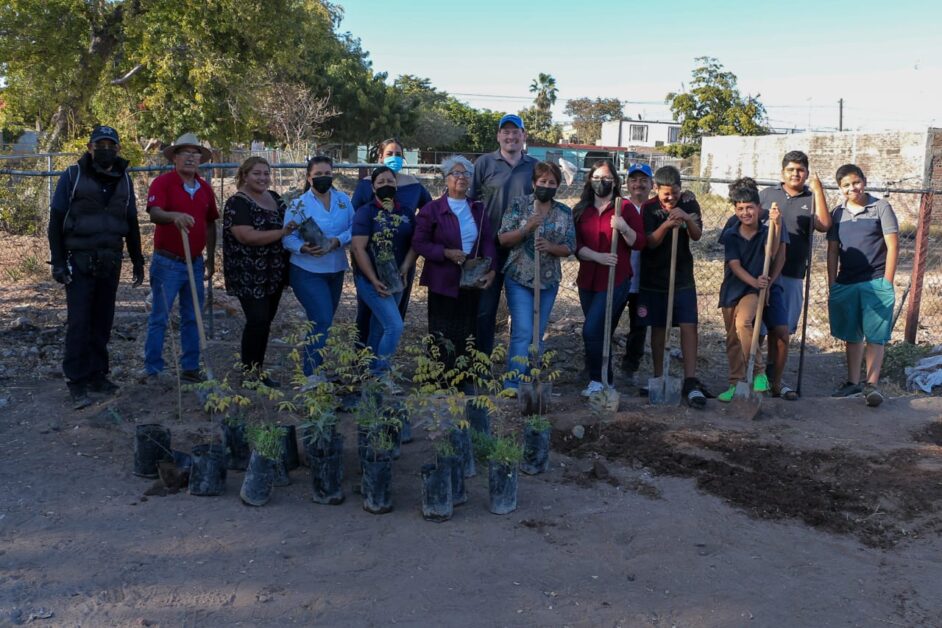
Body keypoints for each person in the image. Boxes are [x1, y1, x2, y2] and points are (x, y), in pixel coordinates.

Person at [719, 151, 831, 398]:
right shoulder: (762, 200)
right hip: (747, 281)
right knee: (746, 331)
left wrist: (819, 189)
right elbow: (733, 256)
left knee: (780, 331)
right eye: (790, 169)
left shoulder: (807, 200)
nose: (795, 174)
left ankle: (773, 382)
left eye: (800, 170)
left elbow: (784, 250)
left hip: (781, 278)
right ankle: (744, 381)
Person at [48, 125, 145, 409]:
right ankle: (77, 381)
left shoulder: (124, 179)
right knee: (79, 321)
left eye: (110, 145)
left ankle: (98, 375)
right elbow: (56, 220)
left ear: (118, 149)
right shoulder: (73, 175)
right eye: (100, 145)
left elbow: (131, 222)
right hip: (78, 259)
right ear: (90, 148)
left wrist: (137, 259)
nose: (105, 150)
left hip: (111, 260)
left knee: (103, 320)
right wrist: (57, 261)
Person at [142, 133, 217, 384]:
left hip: (194, 262)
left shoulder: (205, 188)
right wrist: (174, 216)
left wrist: (210, 258)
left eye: (195, 153)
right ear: (175, 157)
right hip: (168, 262)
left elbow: (210, 223)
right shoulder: (163, 183)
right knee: (160, 317)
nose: (191, 157)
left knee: (193, 316)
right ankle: (153, 369)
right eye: (185, 152)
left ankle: (190, 367)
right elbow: (155, 213)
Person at [497, 161, 575, 392]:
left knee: (537, 333)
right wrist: (527, 228)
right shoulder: (519, 205)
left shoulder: (564, 212)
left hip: (548, 281)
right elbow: (503, 239)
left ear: (557, 186)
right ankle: (513, 383)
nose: (546, 186)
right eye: (542, 181)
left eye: (552, 183)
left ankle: (531, 380)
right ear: (533, 183)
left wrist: (551, 247)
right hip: (519, 277)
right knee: (522, 330)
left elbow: (570, 246)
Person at [412, 155, 496, 369]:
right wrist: (445, 253)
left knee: (467, 329)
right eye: (456, 173)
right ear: (446, 178)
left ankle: (464, 374)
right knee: (442, 330)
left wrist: (491, 269)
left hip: (470, 279)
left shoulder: (478, 208)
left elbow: (487, 240)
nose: (461, 177)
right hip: (442, 279)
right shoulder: (432, 209)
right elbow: (419, 243)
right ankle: (441, 375)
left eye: (466, 173)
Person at [573, 159, 647, 397]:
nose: (601, 182)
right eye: (596, 178)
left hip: (615, 280)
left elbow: (639, 242)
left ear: (614, 181)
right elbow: (575, 245)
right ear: (590, 180)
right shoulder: (582, 210)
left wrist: (624, 228)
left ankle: (598, 380)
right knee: (600, 331)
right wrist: (598, 257)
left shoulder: (624, 208)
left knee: (592, 329)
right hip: (587, 280)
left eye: (606, 178)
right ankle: (607, 380)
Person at [827, 164, 898, 407]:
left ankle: (872, 385)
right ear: (840, 188)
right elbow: (833, 250)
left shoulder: (881, 207)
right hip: (846, 282)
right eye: (846, 185)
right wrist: (832, 282)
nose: (852, 188)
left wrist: (887, 282)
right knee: (851, 334)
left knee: (875, 335)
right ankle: (853, 382)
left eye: (856, 182)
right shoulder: (837, 213)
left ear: (864, 182)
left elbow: (893, 245)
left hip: (875, 281)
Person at [639, 165, 709, 408]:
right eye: (666, 193)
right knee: (659, 328)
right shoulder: (649, 208)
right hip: (654, 277)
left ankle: (690, 380)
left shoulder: (689, 203)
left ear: (681, 188)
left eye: (675, 192)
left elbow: (697, 235)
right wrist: (667, 225)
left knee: (689, 325)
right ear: (656, 189)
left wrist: (687, 218)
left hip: (682, 276)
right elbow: (649, 242)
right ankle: (660, 376)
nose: (671, 198)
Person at [222, 156, 296, 386]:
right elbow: (247, 236)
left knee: (265, 322)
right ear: (244, 175)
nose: (263, 178)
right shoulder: (238, 202)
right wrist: (282, 233)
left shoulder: (274, 197)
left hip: (273, 272)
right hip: (249, 273)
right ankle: (249, 375)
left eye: (266, 173)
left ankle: (257, 370)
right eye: (257, 173)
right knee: (257, 320)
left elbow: (293, 220)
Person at [469, 114, 539, 355]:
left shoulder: (534, 166)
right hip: (489, 248)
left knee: (522, 313)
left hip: (522, 249)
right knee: (484, 310)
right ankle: (481, 364)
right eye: (506, 132)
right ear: (499, 136)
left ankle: (518, 365)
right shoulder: (484, 163)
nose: (511, 136)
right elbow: (471, 201)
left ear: (523, 135)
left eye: (515, 132)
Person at [716, 178, 790, 403]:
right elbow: (734, 265)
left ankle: (759, 372)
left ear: (759, 207)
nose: (745, 212)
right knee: (732, 338)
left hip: (753, 291)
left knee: (744, 323)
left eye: (750, 208)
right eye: (740, 209)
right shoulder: (732, 233)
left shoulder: (767, 230)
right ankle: (735, 383)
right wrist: (755, 281)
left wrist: (777, 226)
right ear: (735, 209)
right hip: (734, 288)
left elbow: (773, 252)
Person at [351, 138, 432, 341]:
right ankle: (362, 355)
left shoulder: (414, 186)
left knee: (395, 312)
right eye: (389, 154)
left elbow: (429, 214)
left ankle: (383, 354)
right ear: (380, 157)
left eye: (398, 154)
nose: (394, 158)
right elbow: (354, 218)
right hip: (371, 261)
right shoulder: (366, 185)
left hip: (402, 261)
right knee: (367, 311)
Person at [282, 156, 354, 379]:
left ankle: (317, 369)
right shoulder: (298, 205)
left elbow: (354, 228)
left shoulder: (343, 200)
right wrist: (302, 248)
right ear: (308, 177)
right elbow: (287, 237)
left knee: (324, 322)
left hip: (335, 270)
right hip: (307, 272)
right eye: (318, 174)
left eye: (327, 174)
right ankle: (311, 375)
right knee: (321, 318)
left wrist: (338, 240)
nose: (324, 178)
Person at [351, 166, 416, 380]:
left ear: (396, 185)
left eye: (390, 181)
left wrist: (405, 267)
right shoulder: (366, 212)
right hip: (370, 280)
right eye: (381, 182)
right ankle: (381, 375)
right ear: (373, 187)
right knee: (394, 326)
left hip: (396, 278)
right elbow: (358, 248)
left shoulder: (405, 212)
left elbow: (415, 243)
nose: (386, 185)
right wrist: (373, 279)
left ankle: (369, 375)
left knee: (379, 327)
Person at [619, 163, 654, 383]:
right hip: (621, 274)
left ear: (652, 184)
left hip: (645, 278)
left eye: (643, 180)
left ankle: (630, 367)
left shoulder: (656, 208)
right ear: (627, 183)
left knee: (639, 325)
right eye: (633, 180)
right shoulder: (621, 207)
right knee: (609, 319)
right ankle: (597, 364)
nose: (638, 184)